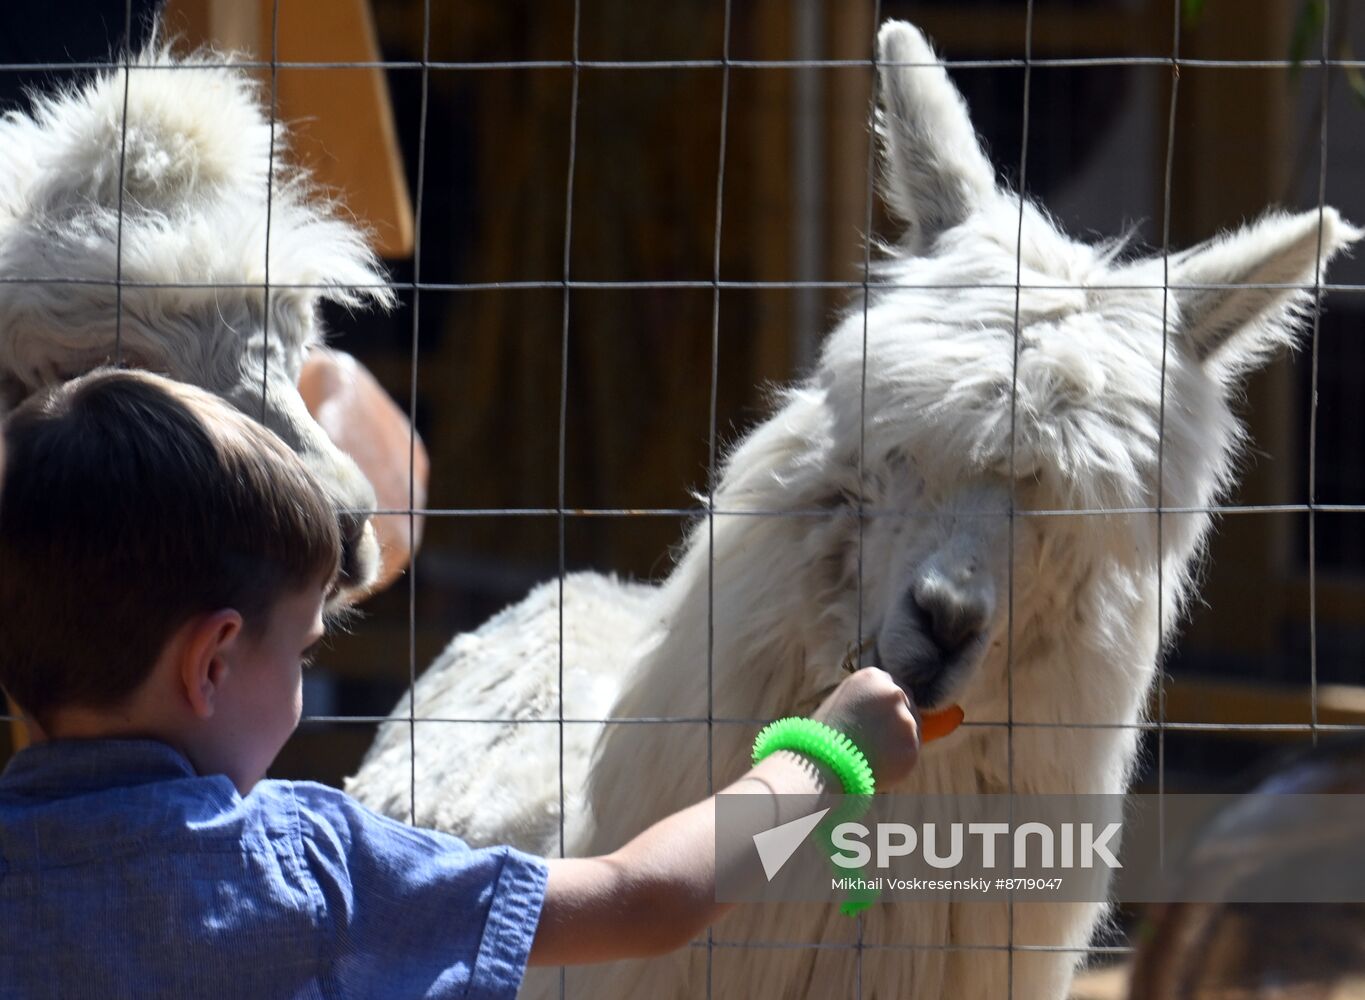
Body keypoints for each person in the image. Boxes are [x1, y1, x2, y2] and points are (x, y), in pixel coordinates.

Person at [0, 368, 922, 999]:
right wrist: (824, 758)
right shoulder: (304, 866)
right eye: (305, 651)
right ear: (212, 663)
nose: (300, 681)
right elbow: (646, 898)